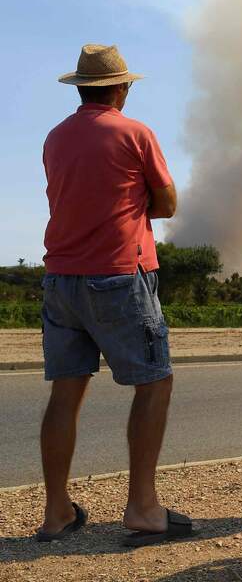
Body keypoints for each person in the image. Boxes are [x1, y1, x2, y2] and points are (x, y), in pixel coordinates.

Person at [38, 44, 192, 547]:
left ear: (81, 88)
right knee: (154, 382)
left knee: (66, 392)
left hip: (61, 279)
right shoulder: (135, 132)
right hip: (118, 275)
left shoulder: (55, 138)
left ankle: (57, 510)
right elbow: (166, 203)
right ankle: (144, 507)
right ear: (120, 88)